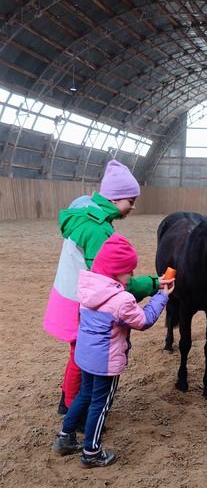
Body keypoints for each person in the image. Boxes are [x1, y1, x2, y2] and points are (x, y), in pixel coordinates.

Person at [43, 159, 166, 415]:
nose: (133, 206)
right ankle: (72, 409)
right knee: (82, 356)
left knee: (77, 352)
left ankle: (67, 401)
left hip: (70, 294)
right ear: (115, 198)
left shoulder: (87, 216)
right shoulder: (98, 230)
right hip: (82, 300)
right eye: (130, 200)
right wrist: (154, 284)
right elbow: (111, 282)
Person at [54, 234, 174, 468]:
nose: (131, 275)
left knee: (84, 395)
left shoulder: (88, 285)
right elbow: (144, 320)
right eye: (128, 270)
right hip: (105, 362)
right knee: (100, 404)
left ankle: (65, 437)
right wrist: (162, 296)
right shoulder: (121, 300)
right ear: (115, 271)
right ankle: (91, 452)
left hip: (85, 356)